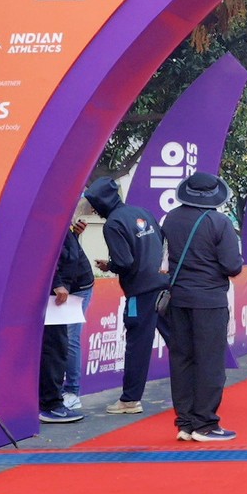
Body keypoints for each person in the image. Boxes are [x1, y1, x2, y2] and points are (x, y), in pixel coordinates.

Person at [157, 167, 245, 443]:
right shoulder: (219, 222)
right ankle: (205, 423)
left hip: (178, 299)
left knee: (182, 359)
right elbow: (232, 266)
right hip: (209, 300)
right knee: (210, 361)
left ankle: (185, 422)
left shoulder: (170, 218)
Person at [97, 178, 166, 415]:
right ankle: (195, 391)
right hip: (163, 286)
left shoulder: (113, 224)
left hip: (140, 291)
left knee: (137, 345)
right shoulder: (143, 212)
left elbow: (124, 262)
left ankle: (130, 400)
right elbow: (160, 241)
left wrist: (110, 266)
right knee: (179, 341)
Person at [39, 203, 95, 425]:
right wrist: (57, 282)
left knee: (60, 345)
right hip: (58, 292)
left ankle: (57, 399)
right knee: (56, 346)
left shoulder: (59, 218)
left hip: (67, 287)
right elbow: (44, 252)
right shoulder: (47, 217)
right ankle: (51, 403)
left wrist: (74, 234)